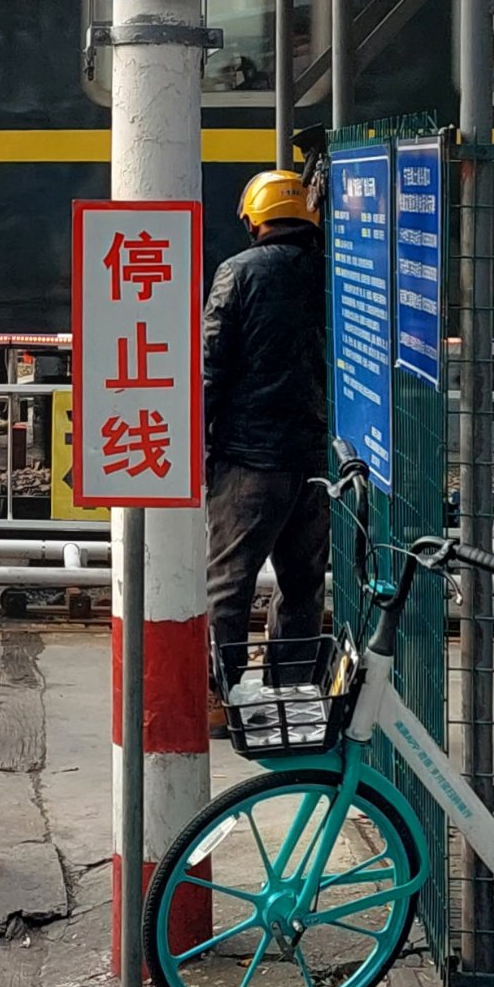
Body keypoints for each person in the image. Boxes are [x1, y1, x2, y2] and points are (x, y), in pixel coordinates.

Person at [203, 167, 330, 695]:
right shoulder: (332, 272)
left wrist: (197, 440)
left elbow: (211, 363)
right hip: (317, 461)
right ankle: (290, 693)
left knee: (229, 584)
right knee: (303, 586)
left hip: (251, 460)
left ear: (256, 218)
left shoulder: (239, 272)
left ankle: (222, 692)